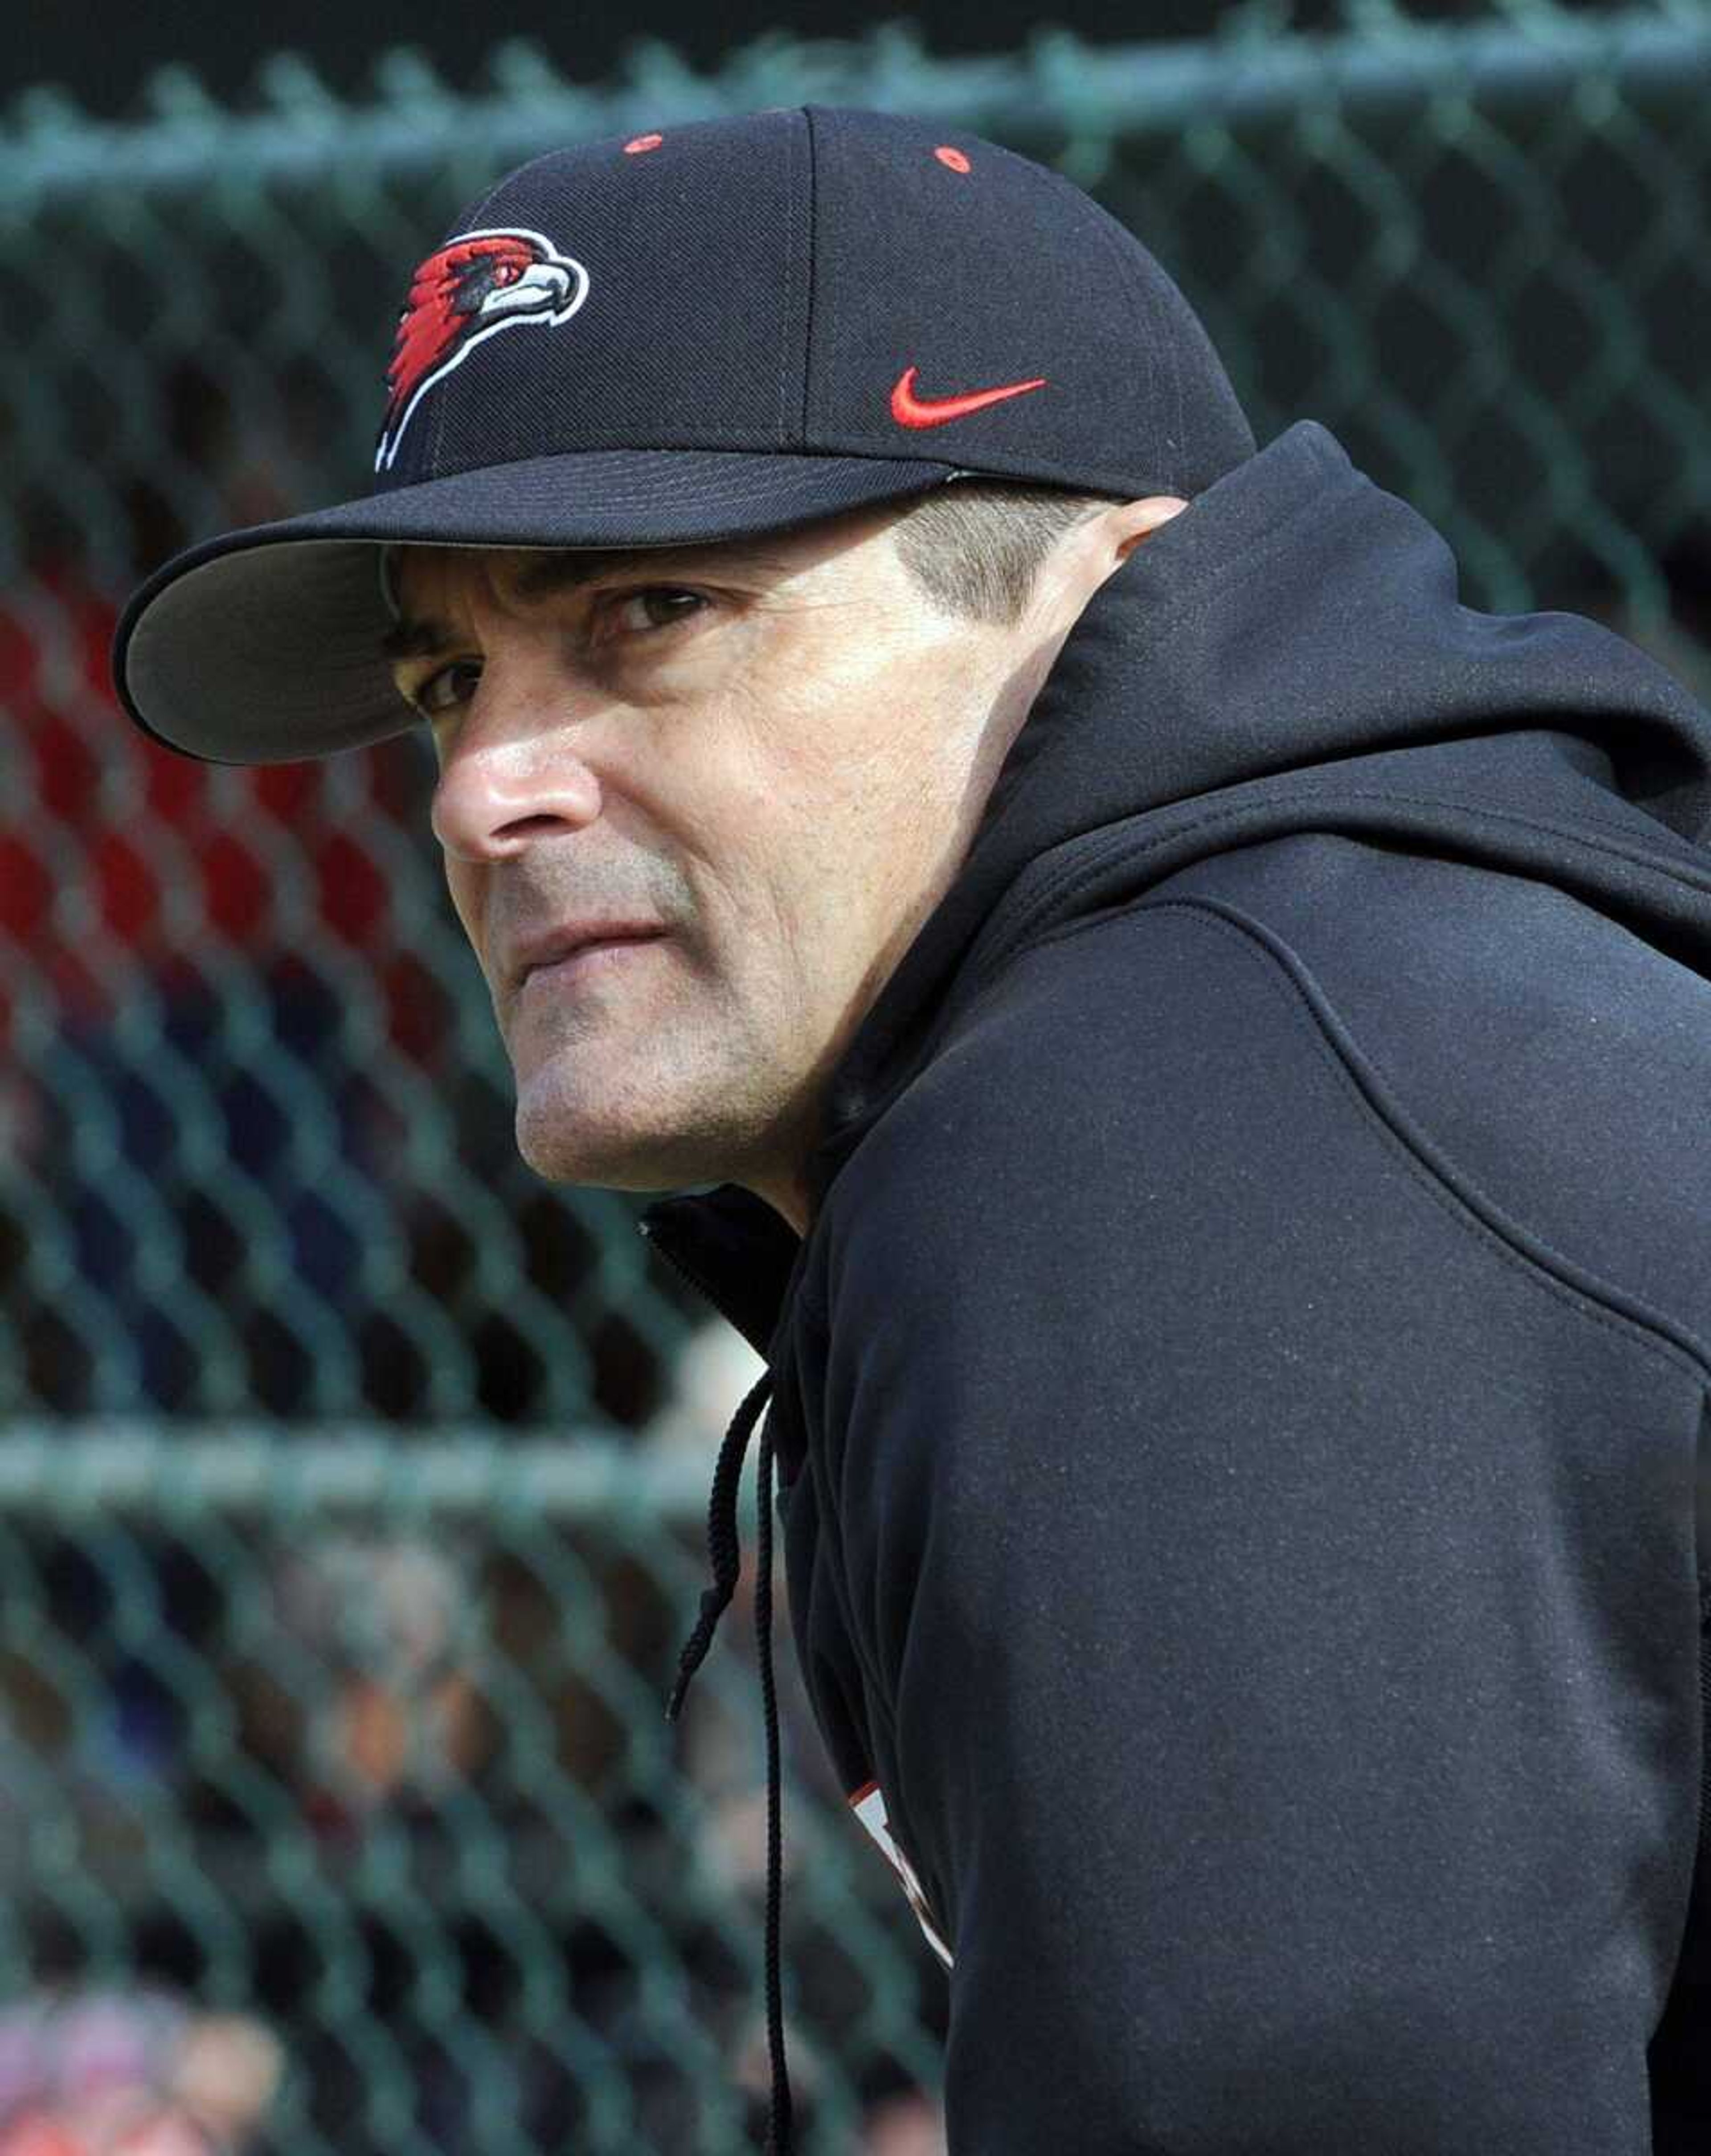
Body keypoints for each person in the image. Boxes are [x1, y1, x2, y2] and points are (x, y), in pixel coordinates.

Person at [111, 105, 1711, 2154]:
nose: (482, 788)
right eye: (448, 677)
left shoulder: (1171, 1136)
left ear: (1087, 579)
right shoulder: (1309, 991)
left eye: (650, 615)